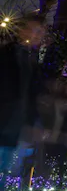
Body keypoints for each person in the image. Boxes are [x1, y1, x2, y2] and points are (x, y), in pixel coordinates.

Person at [0, 13, 44, 180]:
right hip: (5, 118)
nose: (39, 35)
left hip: (15, 124)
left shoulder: (30, 59)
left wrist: (32, 121)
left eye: (41, 32)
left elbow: (31, 95)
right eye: (36, 30)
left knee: (5, 169)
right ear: (22, 30)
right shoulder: (6, 54)